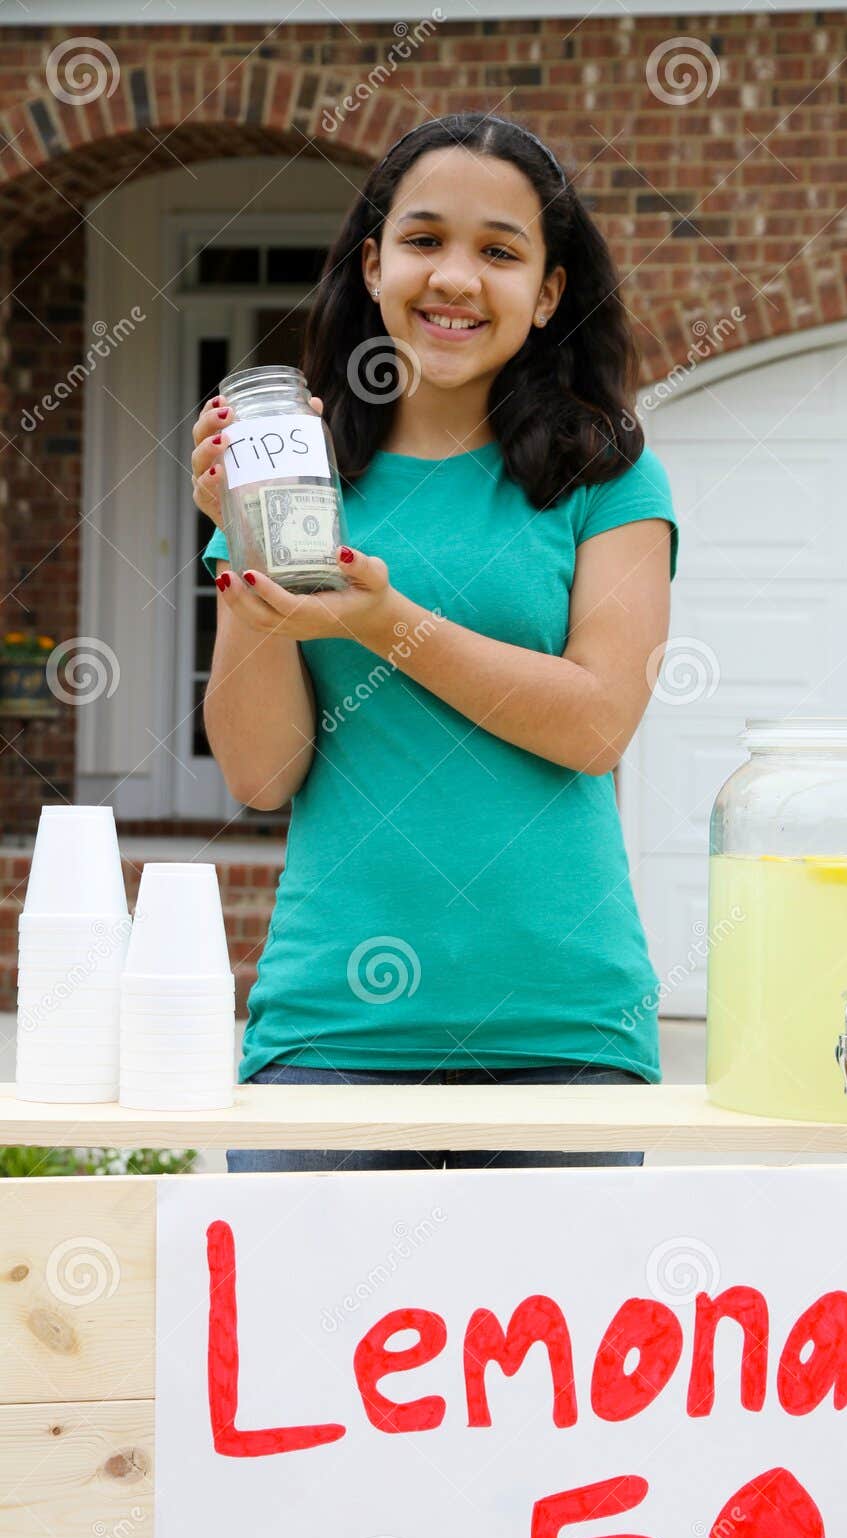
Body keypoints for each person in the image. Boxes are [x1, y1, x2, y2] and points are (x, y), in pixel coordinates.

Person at [189, 110, 680, 1174]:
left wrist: (386, 621)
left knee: (563, 1345)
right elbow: (262, 772)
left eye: (499, 252)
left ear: (547, 293)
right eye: (422, 240)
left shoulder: (607, 475)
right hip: (333, 1035)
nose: (454, 276)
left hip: (561, 1034)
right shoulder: (297, 489)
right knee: (302, 1343)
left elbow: (597, 722)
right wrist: (240, 545)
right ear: (372, 266)